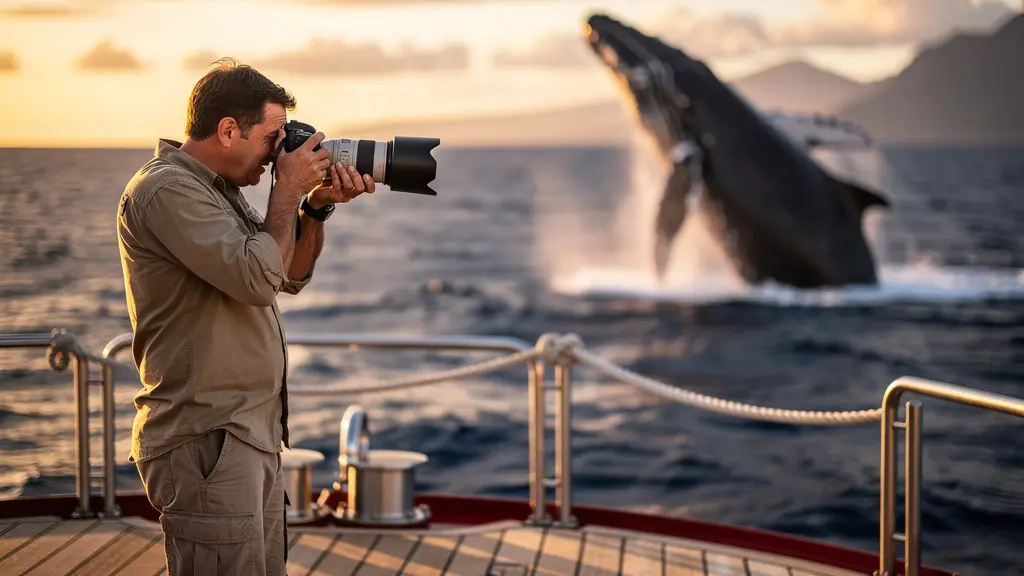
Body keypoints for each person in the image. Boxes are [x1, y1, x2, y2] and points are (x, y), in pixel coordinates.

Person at [115, 58, 374, 575]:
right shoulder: (167, 190)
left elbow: (285, 274)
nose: (280, 153)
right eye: (273, 138)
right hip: (206, 438)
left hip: (246, 434)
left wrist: (313, 208)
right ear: (228, 130)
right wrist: (286, 192)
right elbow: (258, 279)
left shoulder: (218, 191)